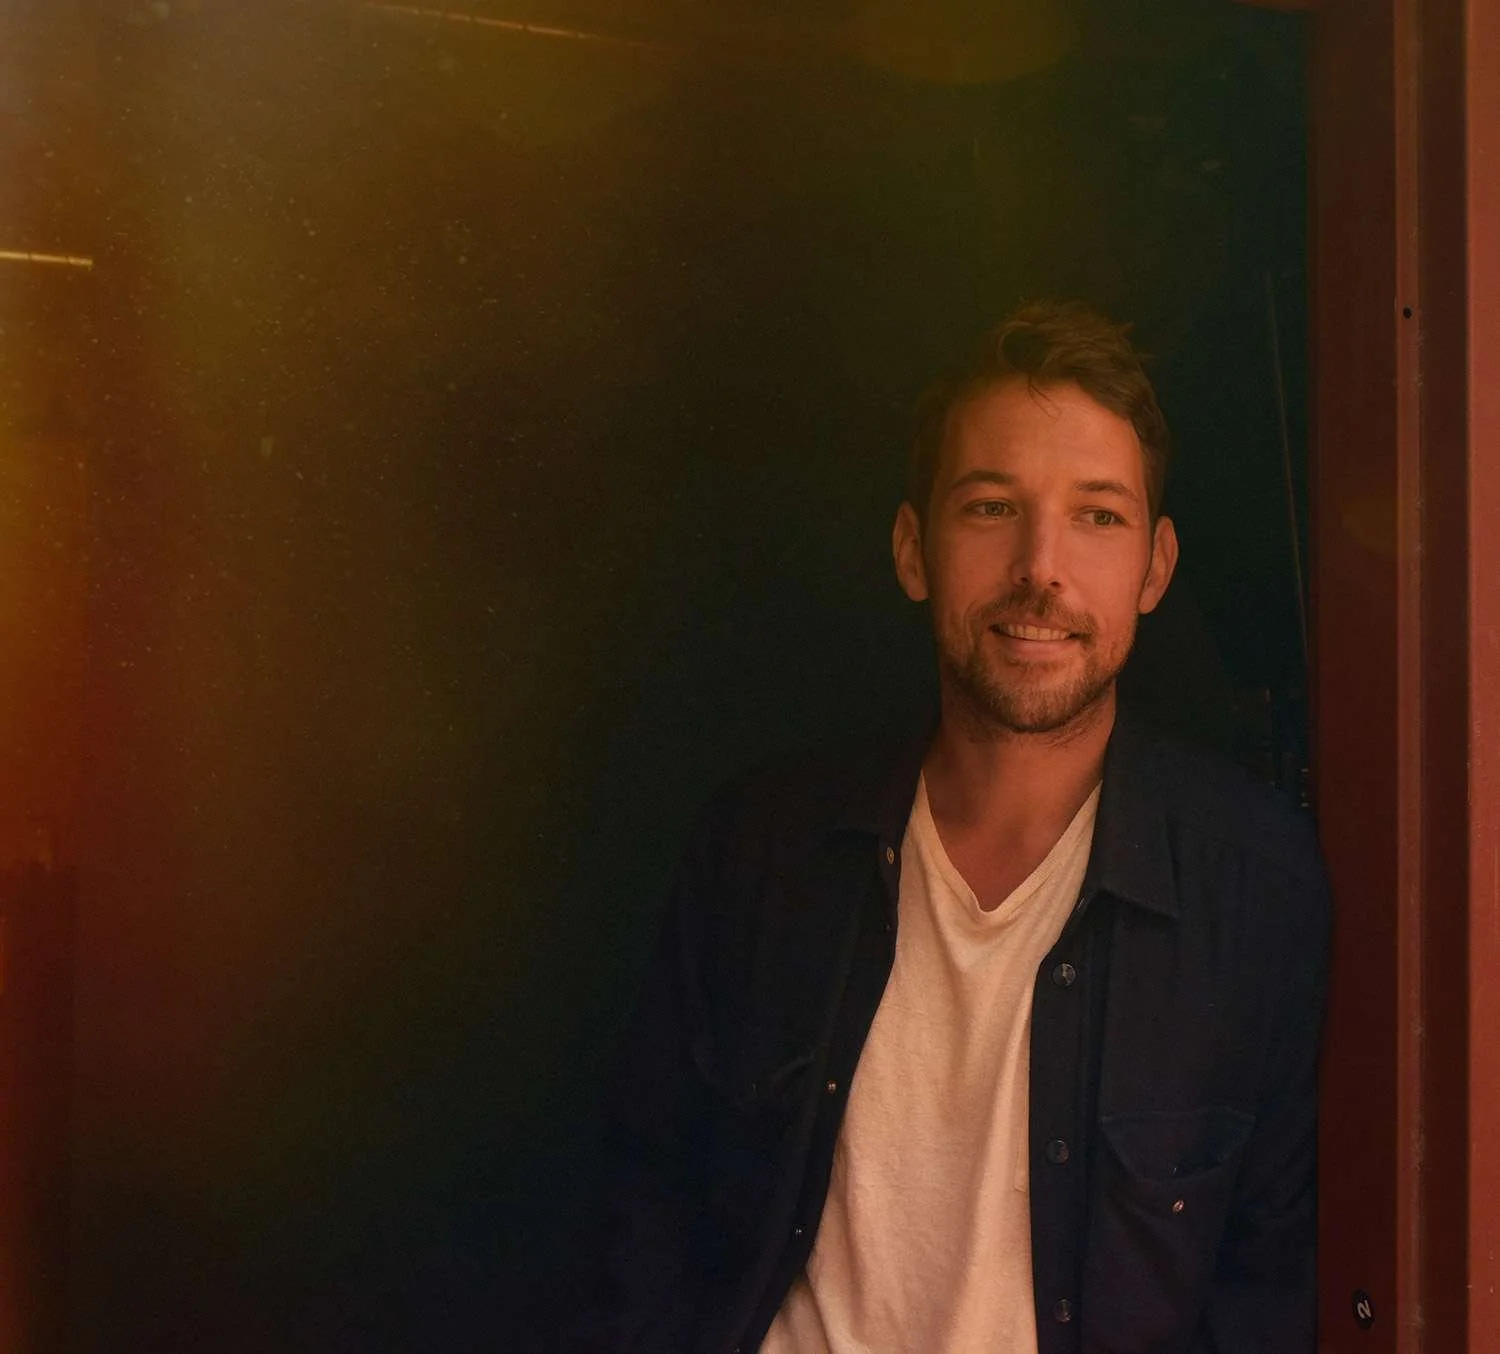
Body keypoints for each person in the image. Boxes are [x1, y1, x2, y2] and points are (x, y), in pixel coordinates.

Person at [573, 300, 1329, 1353]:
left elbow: (1270, 1289)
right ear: (912, 548)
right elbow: (643, 1210)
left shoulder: (1253, 890)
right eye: (990, 507)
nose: (1040, 566)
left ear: (1155, 569)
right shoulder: (762, 849)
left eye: (1097, 516)